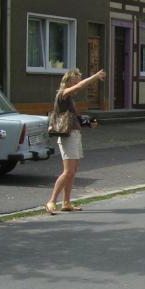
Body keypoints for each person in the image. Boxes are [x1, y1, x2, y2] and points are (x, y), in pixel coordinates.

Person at [45, 69, 106, 215]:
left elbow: (72, 118)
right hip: (68, 137)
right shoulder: (63, 94)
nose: (77, 82)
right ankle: (51, 201)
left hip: (74, 135)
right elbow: (80, 87)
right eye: (75, 79)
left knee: (72, 173)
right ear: (67, 81)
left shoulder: (70, 98)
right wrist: (95, 77)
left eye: (78, 79)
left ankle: (66, 202)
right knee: (68, 172)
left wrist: (88, 122)